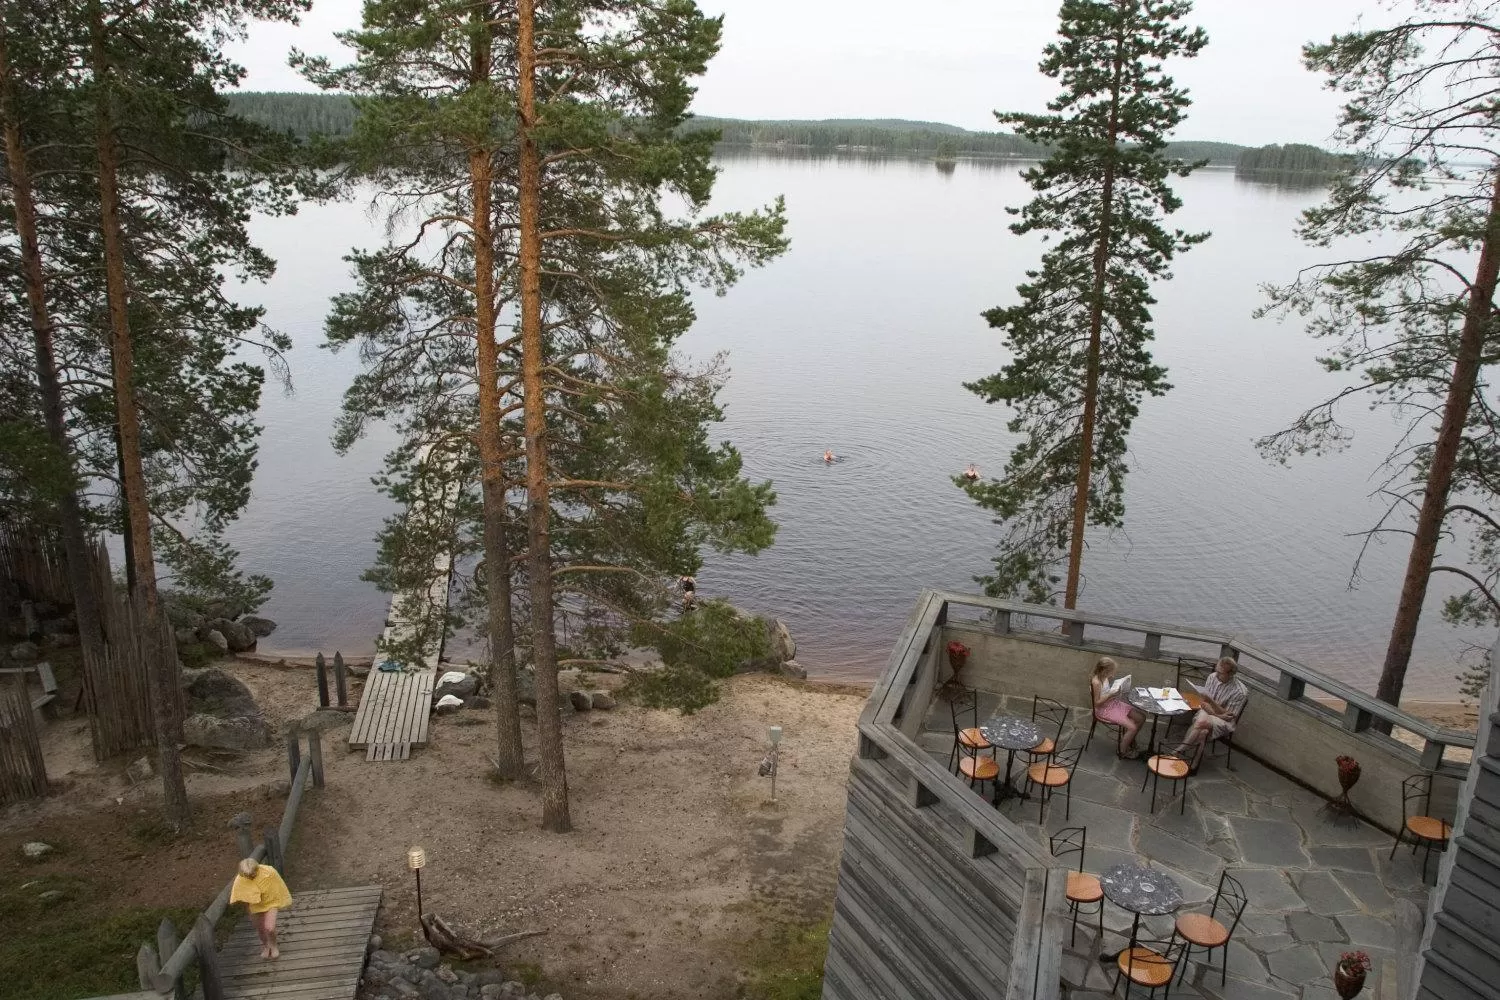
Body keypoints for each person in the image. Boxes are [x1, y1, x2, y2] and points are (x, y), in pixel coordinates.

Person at [1178, 656, 1249, 765]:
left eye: (1220, 673)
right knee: (1203, 731)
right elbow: (1203, 702)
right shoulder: (1212, 677)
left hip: (1224, 721)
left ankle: (1178, 751)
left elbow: (1228, 716)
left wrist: (1211, 705)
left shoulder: (1240, 691)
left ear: (1230, 674)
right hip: (1208, 711)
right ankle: (1193, 765)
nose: (1216, 675)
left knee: (1202, 723)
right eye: (1217, 671)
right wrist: (1209, 708)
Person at [231, 857, 293, 959]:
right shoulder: (240, 879)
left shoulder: (269, 872)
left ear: (257, 869)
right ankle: (266, 946)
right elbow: (242, 896)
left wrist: (282, 899)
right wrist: (249, 912)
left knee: (269, 927)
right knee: (260, 929)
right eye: (247, 875)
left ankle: (273, 945)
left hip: (271, 903)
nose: (250, 877)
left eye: (252, 874)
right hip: (254, 906)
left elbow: (279, 886)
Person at [1091, 656, 1145, 758]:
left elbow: (1106, 692)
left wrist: (1116, 691)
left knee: (1141, 717)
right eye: (1111, 671)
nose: (1112, 674)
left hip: (1113, 704)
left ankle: (1129, 740)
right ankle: (1122, 751)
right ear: (1104, 670)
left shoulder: (1104, 677)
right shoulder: (1096, 682)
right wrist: (1110, 695)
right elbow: (1096, 703)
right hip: (1104, 710)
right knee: (1132, 728)